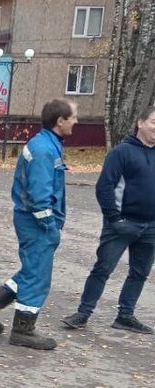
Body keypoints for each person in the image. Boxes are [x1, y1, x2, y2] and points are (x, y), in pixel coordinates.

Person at [0, 99, 79, 349]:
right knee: (37, 276)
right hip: (37, 224)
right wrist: (51, 226)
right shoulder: (44, 149)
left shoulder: (48, 145)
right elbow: (39, 196)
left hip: (33, 222)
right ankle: (23, 330)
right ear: (60, 121)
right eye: (73, 117)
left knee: (33, 270)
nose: (76, 121)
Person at [62, 104, 155, 334]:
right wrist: (114, 219)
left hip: (151, 226)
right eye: (154, 122)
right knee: (103, 269)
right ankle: (83, 313)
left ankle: (125, 315)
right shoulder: (121, 152)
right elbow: (105, 187)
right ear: (140, 123)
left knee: (139, 273)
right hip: (121, 223)